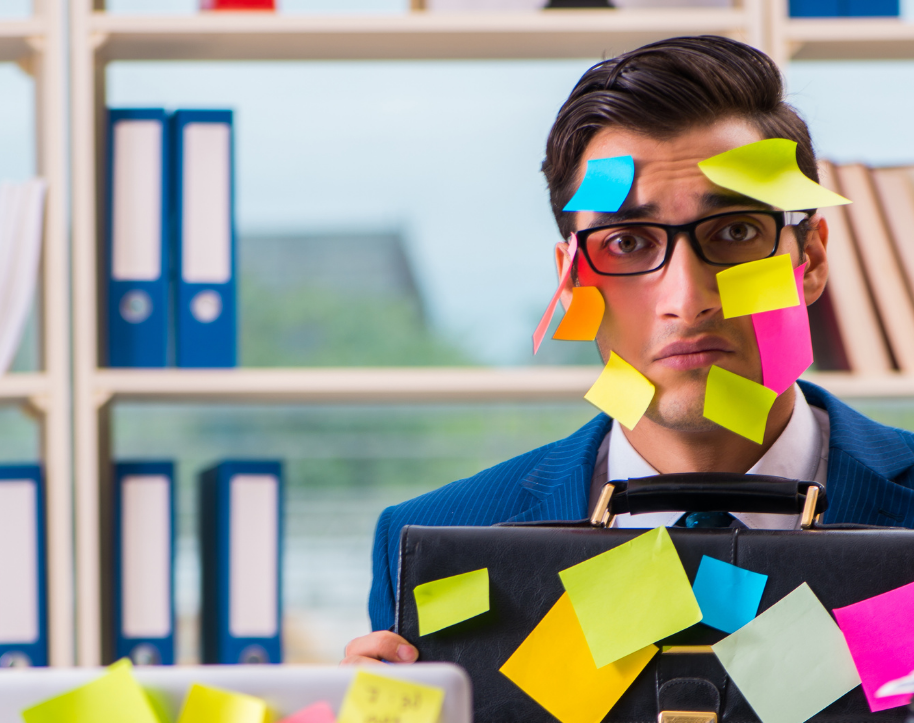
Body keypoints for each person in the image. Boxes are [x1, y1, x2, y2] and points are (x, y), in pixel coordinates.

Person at [345, 34, 914, 667]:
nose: (687, 298)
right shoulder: (434, 545)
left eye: (735, 231)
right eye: (626, 243)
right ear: (569, 278)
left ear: (807, 260)